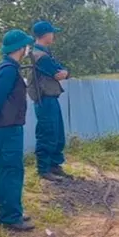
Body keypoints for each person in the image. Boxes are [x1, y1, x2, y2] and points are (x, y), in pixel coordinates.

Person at [0, 29, 35, 232]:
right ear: (20, 48)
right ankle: (11, 217)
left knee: (7, 170)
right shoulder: (9, 69)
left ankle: (10, 212)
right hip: (8, 128)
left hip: (7, 126)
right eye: (26, 45)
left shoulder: (7, 67)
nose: (27, 49)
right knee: (11, 171)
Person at [31, 20, 71, 181]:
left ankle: (54, 165)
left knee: (57, 132)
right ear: (46, 34)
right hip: (44, 98)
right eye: (52, 33)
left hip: (50, 97)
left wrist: (65, 72)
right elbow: (58, 73)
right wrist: (65, 73)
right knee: (47, 132)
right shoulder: (40, 56)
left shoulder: (44, 53)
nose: (53, 35)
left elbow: (63, 71)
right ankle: (44, 168)